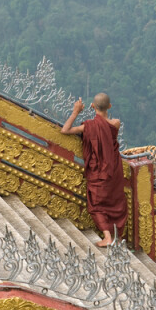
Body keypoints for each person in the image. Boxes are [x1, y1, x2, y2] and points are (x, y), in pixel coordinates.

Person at [61, 93, 128, 246]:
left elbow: (65, 130)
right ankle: (116, 237)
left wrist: (76, 111)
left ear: (92, 106)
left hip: (98, 171)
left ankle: (107, 237)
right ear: (110, 106)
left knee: (97, 205)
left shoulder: (88, 126)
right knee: (116, 201)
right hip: (114, 169)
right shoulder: (115, 123)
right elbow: (108, 129)